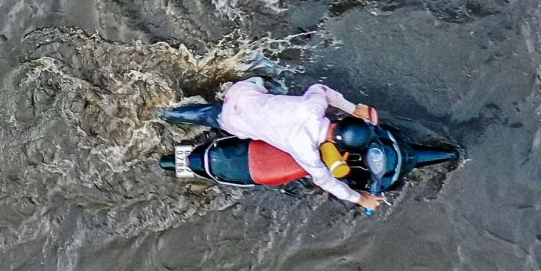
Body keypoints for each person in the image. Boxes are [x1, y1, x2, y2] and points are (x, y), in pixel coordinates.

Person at [163, 78, 387, 213]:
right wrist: (359, 198)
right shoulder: (305, 150)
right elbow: (326, 181)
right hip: (233, 121)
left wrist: (353, 107)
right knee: (218, 117)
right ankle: (168, 114)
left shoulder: (314, 106)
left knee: (264, 86)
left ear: (340, 122)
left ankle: (164, 113)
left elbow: (321, 89)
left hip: (243, 92)